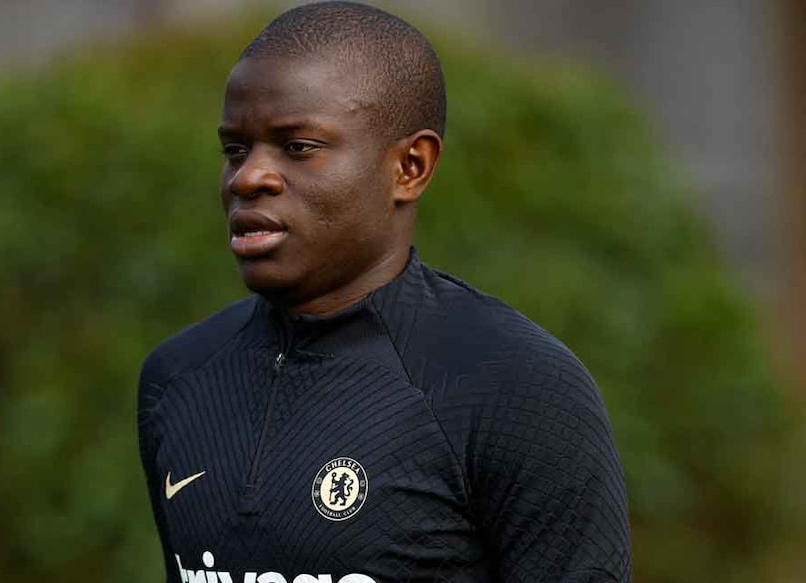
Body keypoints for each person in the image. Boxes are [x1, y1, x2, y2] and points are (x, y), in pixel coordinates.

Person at [137, 2, 631, 581]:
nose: (248, 177)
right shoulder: (179, 379)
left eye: (298, 147)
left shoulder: (514, 387)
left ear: (410, 167)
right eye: (235, 150)